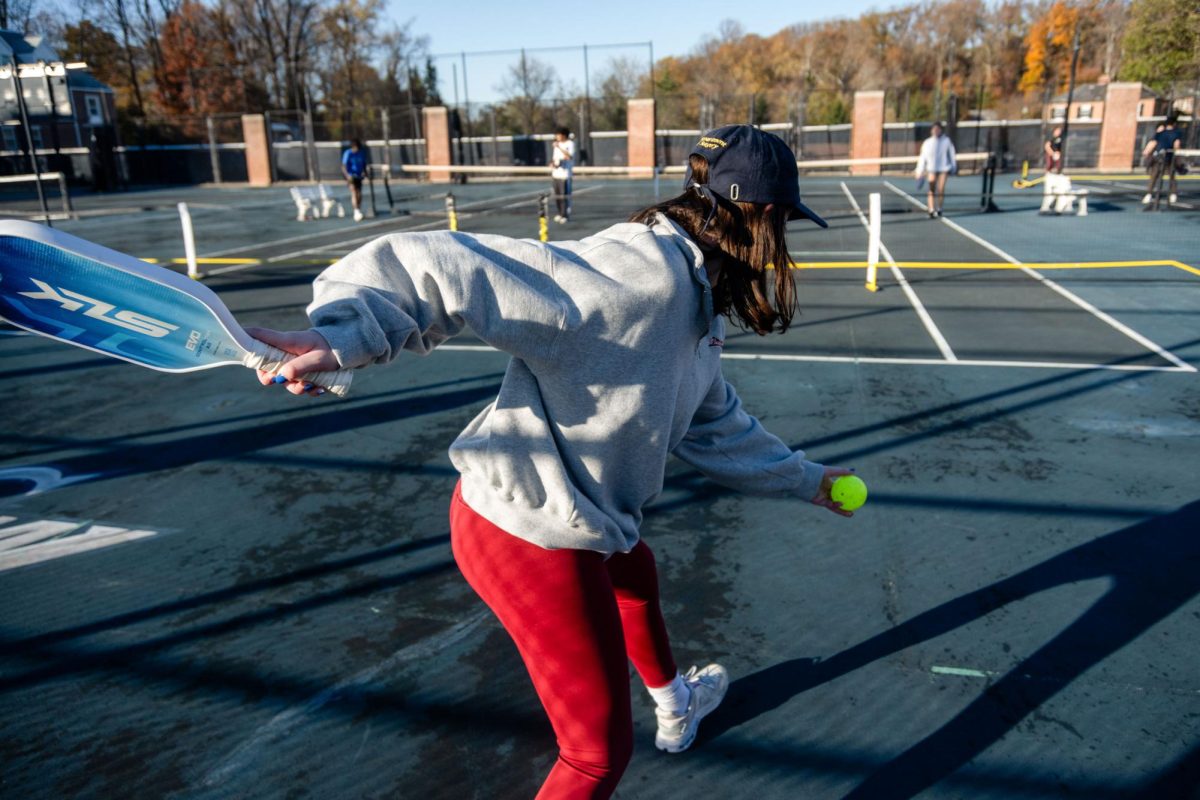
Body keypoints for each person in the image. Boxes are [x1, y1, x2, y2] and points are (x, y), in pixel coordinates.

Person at [248, 124, 855, 800]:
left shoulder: (696, 299)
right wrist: (344, 333)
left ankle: (676, 704)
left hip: (570, 516)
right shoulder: (637, 278)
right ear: (766, 216)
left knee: (634, 569)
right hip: (526, 533)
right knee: (595, 757)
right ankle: (665, 710)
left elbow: (714, 421)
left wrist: (809, 480)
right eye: (786, 225)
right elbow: (453, 264)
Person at [914, 121, 957, 218]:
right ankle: (931, 209)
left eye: (938, 129)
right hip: (931, 169)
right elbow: (922, 157)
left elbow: (952, 155)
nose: (936, 131)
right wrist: (919, 171)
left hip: (943, 169)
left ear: (941, 130)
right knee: (931, 188)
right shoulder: (927, 143)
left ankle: (939, 209)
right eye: (934, 129)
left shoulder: (946, 141)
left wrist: (953, 168)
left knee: (940, 189)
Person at [1142, 112, 1183, 207]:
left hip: (1159, 157)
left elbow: (1153, 143)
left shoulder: (1160, 133)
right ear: (1174, 124)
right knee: (1171, 176)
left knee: (1154, 176)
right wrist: (1178, 158)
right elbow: (1176, 145)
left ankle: (1149, 194)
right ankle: (1173, 194)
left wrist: (1147, 152)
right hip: (1169, 157)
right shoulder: (1176, 133)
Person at [551, 127, 575, 223]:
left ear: (563, 135)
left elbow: (569, 156)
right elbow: (555, 158)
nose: (557, 137)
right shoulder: (556, 145)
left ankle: (565, 215)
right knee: (557, 195)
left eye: (558, 135)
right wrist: (552, 163)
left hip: (565, 175)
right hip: (555, 174)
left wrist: (559, 147)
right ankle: (560, 213)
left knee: (564, 196)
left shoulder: (570, 144)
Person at [342, 138, 368, 221]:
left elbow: (364, 164)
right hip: (351, 176)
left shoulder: (361, 153)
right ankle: (356, 211)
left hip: (359, 176)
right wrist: (347, 176)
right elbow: (344, 166)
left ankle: (358, 210)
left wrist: (365, 172)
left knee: (359, 193)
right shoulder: (348, 153)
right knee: (354, 192)